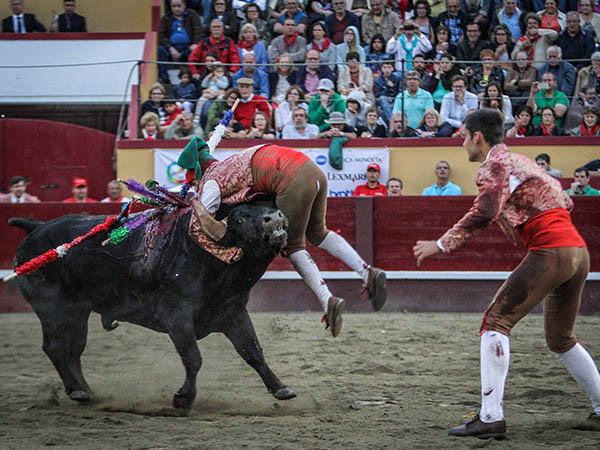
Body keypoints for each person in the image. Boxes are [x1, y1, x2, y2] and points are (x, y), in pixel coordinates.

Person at [413, 108, 600, 439]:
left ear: (477, 137)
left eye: (463, 137)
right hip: (577, 251)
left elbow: (485, 211)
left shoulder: (495, 164)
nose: (462, 143)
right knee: (561, 338)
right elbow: (566, 202)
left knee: (495, 322)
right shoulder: (523, 162)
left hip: (551, 250)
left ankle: (491, 416)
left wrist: (441, 244)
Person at [179, 138, 389, 337]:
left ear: (198, 174)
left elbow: (204, 219)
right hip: (313, 170)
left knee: (293, 246)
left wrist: (196, 202)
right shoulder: (229, 164)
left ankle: (328, 301)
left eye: (195, 182)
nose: (196, 186)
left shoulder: (211, 182)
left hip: (291, 179)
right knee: (318, 234)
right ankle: (367, 271)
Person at [157, 0, 203, 84]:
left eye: (179, 6)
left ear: (184, 5)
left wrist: (195, 43)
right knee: (160, 50)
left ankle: (192, 79)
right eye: (174, 6)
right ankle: (164, 79)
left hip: (188, 47)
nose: (176, 8)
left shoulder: (192, 14)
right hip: (172, 48)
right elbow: (161, 35)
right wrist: (170, 48)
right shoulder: (166, 17)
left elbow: (199, 30)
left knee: (196, 51)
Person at [375, 61, 402, 125]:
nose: (387, 69)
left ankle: (388, 124)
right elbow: (379, 93)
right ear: (381, 69)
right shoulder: (378, 80)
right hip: (382, 99)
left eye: (389, 67)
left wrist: (392, 87)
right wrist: (388, 87)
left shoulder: (396, 79)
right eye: (384, 67)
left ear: (392, 69)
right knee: (382, 99)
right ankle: (391, 120)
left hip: (394, 98)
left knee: (384, 111)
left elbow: (398, 92)